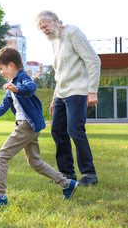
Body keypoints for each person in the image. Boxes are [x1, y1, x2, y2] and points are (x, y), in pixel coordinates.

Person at [0, 47, 78, 206]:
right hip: (29, 126)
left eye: (1, 69)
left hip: (25, 125)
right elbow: (3, 107)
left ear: (11, 65)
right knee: (35, 163)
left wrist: (17, 89)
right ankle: (66, 183)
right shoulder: (11, 85)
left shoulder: (22, 78)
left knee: (2, 156)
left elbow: (30, 88)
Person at [36, 10, 100, 186]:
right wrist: (54, 98)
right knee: (57, 130)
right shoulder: (55, 42)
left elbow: (93, 60)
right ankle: (66, 174)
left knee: (75, 130)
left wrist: (92, 90)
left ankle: (89, 174)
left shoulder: (73, 32)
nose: (44, 30)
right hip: (62, 94)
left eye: (45, 25)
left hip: (78, 91)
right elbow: (60, 73)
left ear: (55, 21)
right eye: (41, 28)